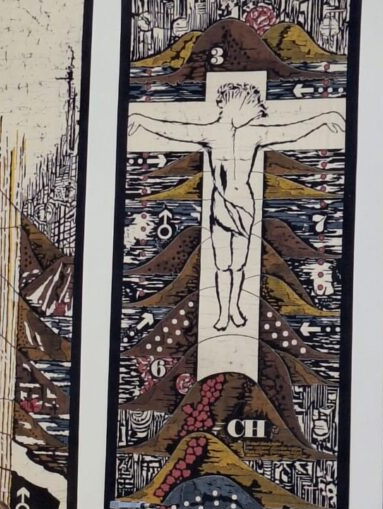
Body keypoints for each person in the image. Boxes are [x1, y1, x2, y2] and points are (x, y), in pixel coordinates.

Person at [128, 82, 345, 331]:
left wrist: (324, 117)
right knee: (222, 263)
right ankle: (222, 313)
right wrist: (141, 118)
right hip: (219, 205)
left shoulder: (253, 134)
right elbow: (176, 130)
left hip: (244, 205)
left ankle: (235, 307)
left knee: (239, 263)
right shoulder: (210, 133)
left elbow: (289, 131)